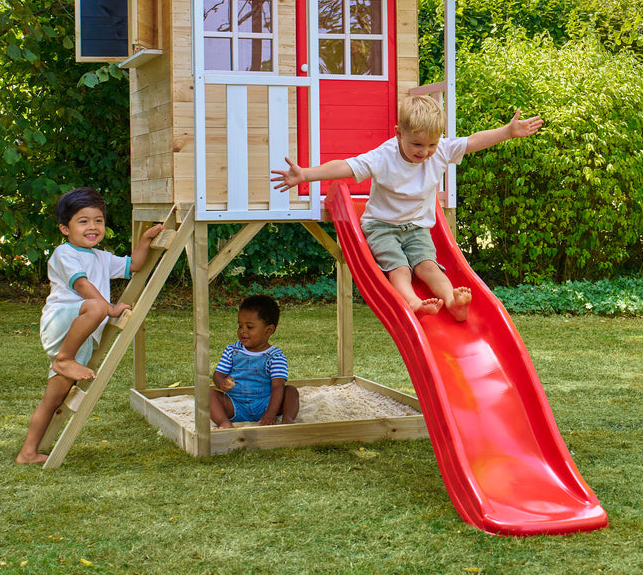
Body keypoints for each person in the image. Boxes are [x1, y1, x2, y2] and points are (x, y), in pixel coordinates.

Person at [271, 94, 542, 322]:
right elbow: (346, 166)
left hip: (417, 228)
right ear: (399, 134)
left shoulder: (442, 150)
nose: (424, 152)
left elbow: (473, 141)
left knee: (428, 267)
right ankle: (412, 301)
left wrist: (507, 132)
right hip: (382, 226)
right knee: (399, 268)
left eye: (432, 145)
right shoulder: (383, 157)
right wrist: (305, 175)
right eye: (417, 144)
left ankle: (452, 301)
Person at [16, 187, 163, 464]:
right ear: (64, 228)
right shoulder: (64, 254)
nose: (93, 226)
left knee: (54, 400)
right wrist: (109, 309)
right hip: (61, 324)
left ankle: (28, 452)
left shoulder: (101, 257)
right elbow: (83, 287)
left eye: (98, 220)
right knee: (96, 305)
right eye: (83, 221)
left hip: (81, 336)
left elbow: (134, 266)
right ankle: (64, 359)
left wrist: (145, 240)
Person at [210, 294, 299, 428]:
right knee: (208, 395)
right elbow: (218, 374)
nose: (242, 331)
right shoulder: (231, 350)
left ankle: (288, 419)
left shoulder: (275, 356)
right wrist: (221, 383)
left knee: (290, 391)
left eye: (249, 327)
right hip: (235, 404)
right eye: (240, 326)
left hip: (265, 403)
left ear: (268, 330)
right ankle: (224, 422)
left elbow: (277, 387)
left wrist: (270, 413)